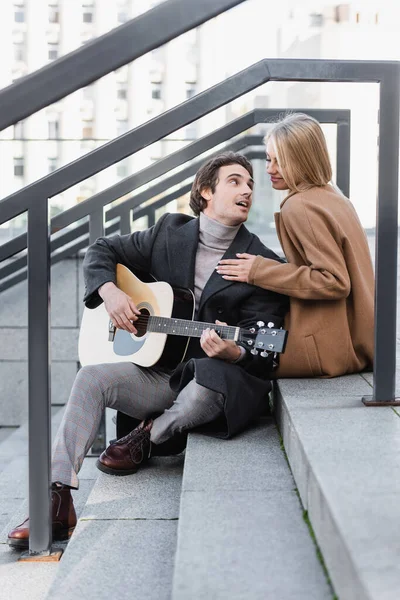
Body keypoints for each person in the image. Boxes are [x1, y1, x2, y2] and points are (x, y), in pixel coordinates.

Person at [8, 152, 288, 549]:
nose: (247, 189)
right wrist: (110, 293)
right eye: (235, 181)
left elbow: (268, 349)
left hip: (210, 382)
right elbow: (102, 249)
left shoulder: (261, 261)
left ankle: (149, 434)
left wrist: (234, 352)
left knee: (206, 385)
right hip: (159, 375)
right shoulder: (169, 232)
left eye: (250, 184)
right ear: (205, 191)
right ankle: (56, 498)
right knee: (91, 378)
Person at [217, 113, 374, 378]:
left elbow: (334, 280)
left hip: (329, 349)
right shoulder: (333, 196)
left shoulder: (299, 205)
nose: (270, 169)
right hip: (358, 338)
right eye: (269, 159)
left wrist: (258, 271)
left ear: (303, 160)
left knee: (233, 339)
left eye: (282, 161)